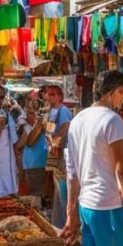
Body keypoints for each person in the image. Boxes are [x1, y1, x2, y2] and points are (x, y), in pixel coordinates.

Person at [61, 70, 123, 246]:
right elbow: (122, 169)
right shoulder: (112, 120)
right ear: (110, 93)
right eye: (122, 92)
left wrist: (71, 211)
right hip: (107, 204)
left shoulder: (78, 120)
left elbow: (72, 173)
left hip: (86, 204)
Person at [44, 85, 73, 227]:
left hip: (62, 158)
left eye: (54, 94)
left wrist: (56, 144)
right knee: (57, 190)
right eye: (49, 94)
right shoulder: (52, 112)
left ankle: (66, 223)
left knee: (63, 190)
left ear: (60, 97)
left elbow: (65, 127)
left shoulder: (63, 111)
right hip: (55, 158)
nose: (51, 97)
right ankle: (59, 223)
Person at [20, 100, 48, 202]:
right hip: (33, 162)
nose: (29, 116)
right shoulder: (30, 125)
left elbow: (29, 142)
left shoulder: (38, 125)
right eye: (29, 113)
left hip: (35, 162)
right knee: (35, 192)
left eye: (32, 113)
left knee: (36, 194)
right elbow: (28, 141)